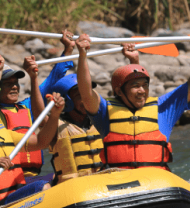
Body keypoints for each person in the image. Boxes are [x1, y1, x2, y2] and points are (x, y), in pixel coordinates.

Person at [74, 32, 190, 170]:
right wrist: (82, 55)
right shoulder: (105, 112)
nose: (142, 91)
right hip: (118, 180)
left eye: (145, 85)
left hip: (155, 180)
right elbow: (86, 93)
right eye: (135, 86)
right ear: (119, 91)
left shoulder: (163, 108)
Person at [0, 21, 76, 178]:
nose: (14, 87)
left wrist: (68, 49)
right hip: (9, 176)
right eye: (7, 84)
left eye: (15, 83)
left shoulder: (27, 107)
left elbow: (52, 80)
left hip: (35, 175)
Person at [47, 44, 142, 183]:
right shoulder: (55, 125)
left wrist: (134, 62)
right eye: (80, 95)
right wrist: (33, 77)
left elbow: (129, 99)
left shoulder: (103, 120)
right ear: (67, 101)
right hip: (74, 189)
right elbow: (38, 114)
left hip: (104, 183)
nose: (87, 98)